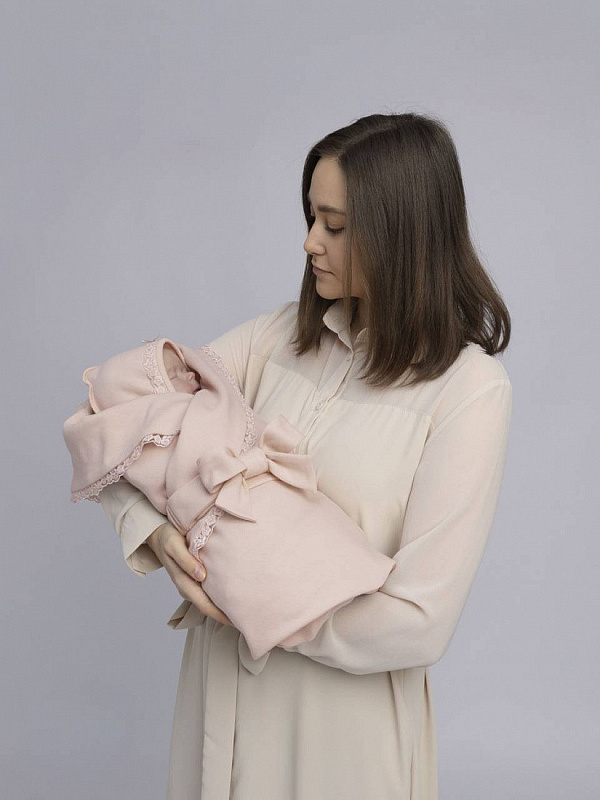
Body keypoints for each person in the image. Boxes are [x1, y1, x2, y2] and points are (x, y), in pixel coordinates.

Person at [96, 111, 513, 799]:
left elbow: (419, 623)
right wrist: (157, 534)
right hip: (218, 698)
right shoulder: (276, 341)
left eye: (335, 225)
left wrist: (245, 592)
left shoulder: (468, 391)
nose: (310, 241)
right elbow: (119, 420)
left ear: (402, 232)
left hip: (338, 732)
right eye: (311, 217)